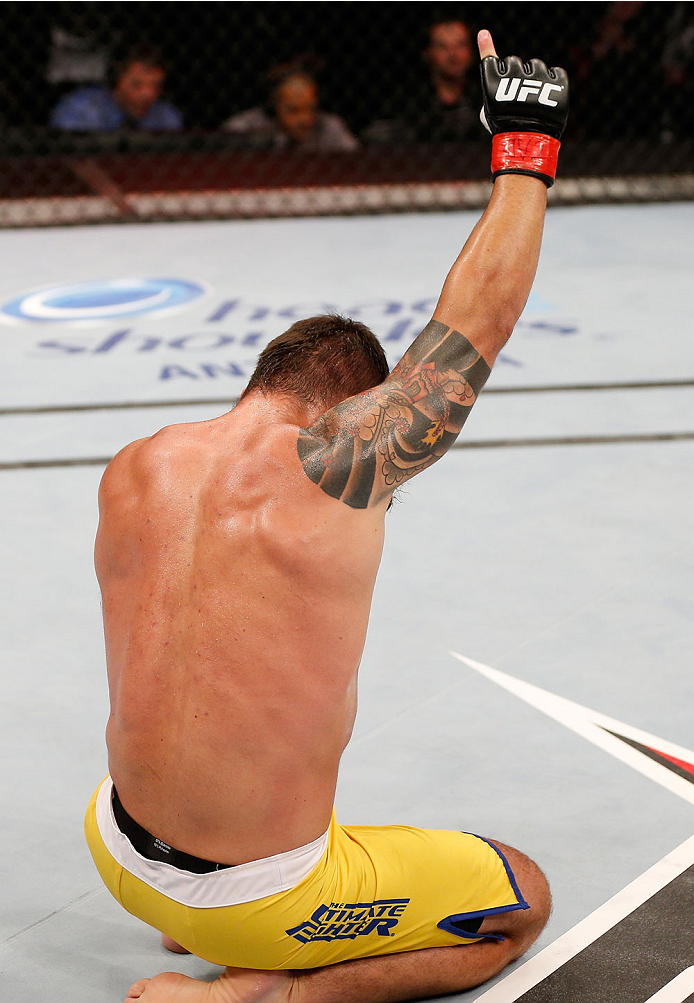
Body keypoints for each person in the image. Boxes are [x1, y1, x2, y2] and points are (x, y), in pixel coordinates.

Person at [85, 29, 568, 1003]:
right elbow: (475, 326)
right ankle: (263, 994)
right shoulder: (335, 465)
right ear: (345, 407)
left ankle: (217, 925)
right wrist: (525, 147)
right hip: (252, 898)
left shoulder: (136, 467)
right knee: (520, 895)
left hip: (112, 847)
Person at [364, 18, 477, 145]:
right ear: (427, 53)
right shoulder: (407, 102)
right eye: (443, 47)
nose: (453, 55)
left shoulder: (483, 99)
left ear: (471, 51)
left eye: (461, 45)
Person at [223, 63, 358, 151]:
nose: (305, 119)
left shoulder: (328, 127)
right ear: (273, 107)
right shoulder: (245, 128)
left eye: (311, 109)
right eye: (294, 110)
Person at [50, 43, 182, 131]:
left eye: (156, 85)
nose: (148, 94)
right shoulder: (80, 110)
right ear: (115, 82)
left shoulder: (165, 116)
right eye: (136, 85)